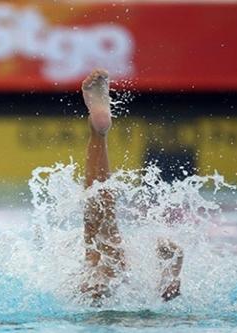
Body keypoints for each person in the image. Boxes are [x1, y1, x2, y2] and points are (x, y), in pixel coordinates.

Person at [78, 69, 184, 303]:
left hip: (86, 303)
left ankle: (98, 135)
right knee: (100, 237)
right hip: (136, 309)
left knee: (102, 238)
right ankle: (166, 279)